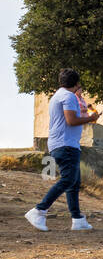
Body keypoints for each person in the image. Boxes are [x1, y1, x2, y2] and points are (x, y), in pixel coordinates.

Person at [25, 68, 98, 232]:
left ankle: (78, 219)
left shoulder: (57, 95)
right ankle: (39, 210)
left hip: (63, 143)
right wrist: (91, 118)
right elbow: (71, 120)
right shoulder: (69, 96)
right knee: (67, 180)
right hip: (66, 144)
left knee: (74, 182)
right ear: (76, 83)